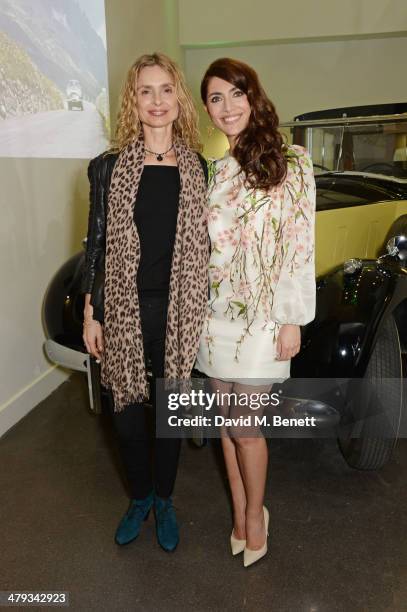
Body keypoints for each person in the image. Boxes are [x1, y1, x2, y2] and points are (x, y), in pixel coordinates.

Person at [82, 53, 209, 552]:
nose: (156, 101)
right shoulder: (107, 167)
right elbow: (95, 243)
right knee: (127, 417)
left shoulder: (199, 168)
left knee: (171, 415)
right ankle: (139, 497)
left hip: (180, 312)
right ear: (132, 102)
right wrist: (93, 313)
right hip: (123, 310)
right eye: (145, 91)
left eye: (165, 90)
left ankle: (166, 499)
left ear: (179, 98)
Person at [196, 58, 316, 567]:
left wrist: (293, 318)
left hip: (265, 318)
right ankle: (243, 511)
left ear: (254, 97)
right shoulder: (216, 170)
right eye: (216, 99)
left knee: (246, 427)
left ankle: (255, 518)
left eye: (235, 94)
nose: (227, 107)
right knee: (227, 423)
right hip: (215, 315)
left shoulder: (294, 161)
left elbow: (300, 242)